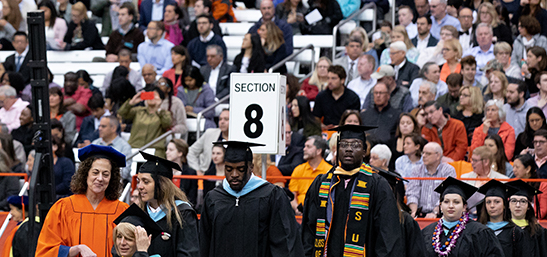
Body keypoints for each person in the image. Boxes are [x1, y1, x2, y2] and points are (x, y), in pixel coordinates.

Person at [301, 125, 402, 257]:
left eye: (355, 145)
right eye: (344, 145)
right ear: (337, 149)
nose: (349, 149)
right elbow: (309, 227)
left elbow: (387, 232)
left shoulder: (377, 185)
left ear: (364, 150)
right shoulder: (322, 183)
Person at [199, 140, 302, 257]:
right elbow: (204, 243)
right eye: (228, 169)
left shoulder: (271, 195)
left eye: (240, 169)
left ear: (250, 167)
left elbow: (284, 242)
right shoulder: (214, 198)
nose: (234, 174)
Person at [36, 144, 128, 257]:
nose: (100, 178)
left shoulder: (122, 211)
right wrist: (75, 249)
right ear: (85, 174)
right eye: (95, 172)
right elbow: (45, 251)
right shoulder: (63, 208)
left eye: (105, 174)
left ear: (111, 178)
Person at [131, 152, 199, 257]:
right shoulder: (138, 215)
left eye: (146, 181)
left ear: (161, 185)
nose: (139, 186)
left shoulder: (182, 214)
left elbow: (189, 253)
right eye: (139, 181)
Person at [420, 177, 503, 257]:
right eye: (446, 202)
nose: (451, 206)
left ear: (464, 207)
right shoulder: (427, 232)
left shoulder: (479, 232)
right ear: (440, 206)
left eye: (456, 202)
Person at [476, 180, 525, 257]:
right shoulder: (477, 231)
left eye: (497, 202)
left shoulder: (515, 232)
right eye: (488, 202)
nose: (492, 205)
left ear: (504, 205)